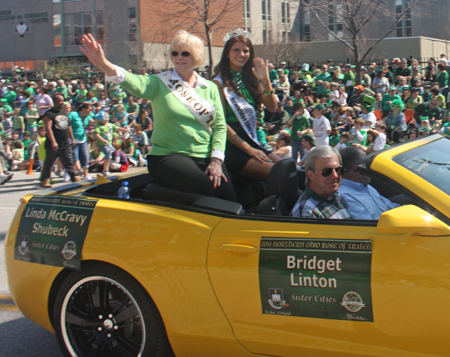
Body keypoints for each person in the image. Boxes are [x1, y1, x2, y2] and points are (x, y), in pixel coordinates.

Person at [81, 31, 237, 201]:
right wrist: (103, 63)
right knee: (208, 188)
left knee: (230, 198)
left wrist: (216, 160)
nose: (179, 57)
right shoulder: (159, 82)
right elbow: (133, 81)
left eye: (185, 53)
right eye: (174, 53)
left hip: (206, 157)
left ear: (197, 56)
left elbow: (220, 126)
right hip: (168, 156)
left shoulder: (210, 88)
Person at [213, 28, 279, 182]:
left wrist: (266, 81)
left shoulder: (252, 78)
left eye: (246, 51)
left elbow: (272, 108)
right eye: (236, 50)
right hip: (233, 144)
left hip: (251, 138)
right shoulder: (218, 83)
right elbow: (220, 122)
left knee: (288, 168)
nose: (241, 55)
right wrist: (248, 149)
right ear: (227, 53)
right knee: (278, 174)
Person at [290, 145, 352, 219]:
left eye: (338, 170)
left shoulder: (337, 197)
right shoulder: (307, 213)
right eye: (327, 171)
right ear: (311, 175)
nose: (335, 176)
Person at [338, 146, 400, 220]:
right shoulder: (346, 196)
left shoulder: (366, 186)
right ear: (357, 169)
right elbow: (367, 227)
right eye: (367, 164)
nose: (370, 168)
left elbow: (391, 206)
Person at [40, 93, 80, 188]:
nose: (61, 102)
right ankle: (44, 180)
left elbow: (68, 126)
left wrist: (72, 139)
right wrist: (53, 141)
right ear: (54, 102)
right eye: (59, 101)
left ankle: (74, 177)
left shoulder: (64, 113)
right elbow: (48, 128)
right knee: (49, 163)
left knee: (69, 161)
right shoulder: (49, 114)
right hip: (53, 144)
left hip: (65, 143)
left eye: (62, 100)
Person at [69, 102, 94, 180]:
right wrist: (72, 139)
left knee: (85, 156)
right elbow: (67, 124)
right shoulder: (73, 114)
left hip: (83, 140)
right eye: (89, 109)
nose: (90, 111)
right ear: (83, 109)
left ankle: (85, 175)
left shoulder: (87, 117)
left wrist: (99, 118)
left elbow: (93, 123)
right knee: (75, 156)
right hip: (73, 139)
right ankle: (78, 171)